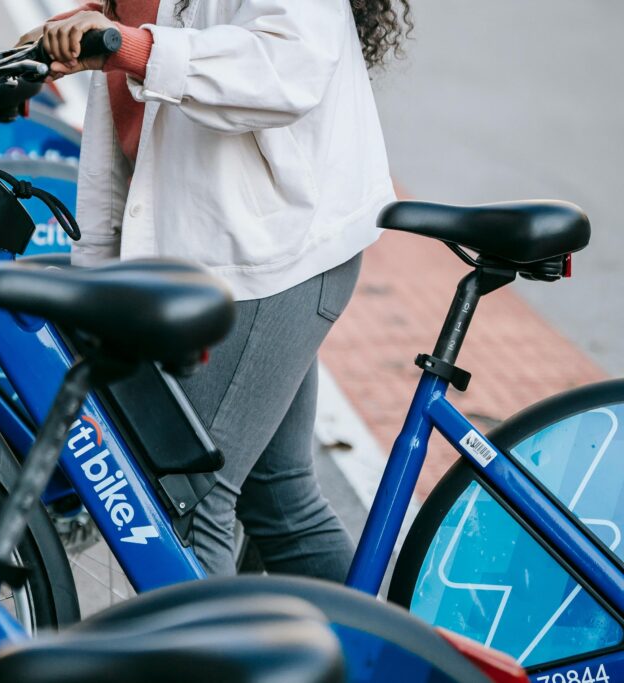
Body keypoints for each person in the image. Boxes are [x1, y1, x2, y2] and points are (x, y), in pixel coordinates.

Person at [20, 0, 409, 580]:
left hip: (268, 250)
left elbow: (285, 63)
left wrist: (129, 45)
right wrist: (65, 39)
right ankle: (378, 661)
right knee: (277, 499)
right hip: (224, 248)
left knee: (191, 503)